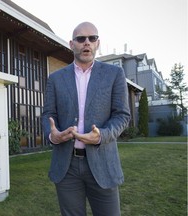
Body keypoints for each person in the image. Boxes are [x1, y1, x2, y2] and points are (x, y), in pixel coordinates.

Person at [41, 22, 131, 216]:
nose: (87, 43)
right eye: (81, 39)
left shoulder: (114, 74)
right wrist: (52, 135)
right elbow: (48, 114)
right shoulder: (56, 78)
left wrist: (102, 136)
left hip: (102, 161)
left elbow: (122, 115)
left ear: (98, 43)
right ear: (72, 44)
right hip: (67, 166)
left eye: (92, 38)